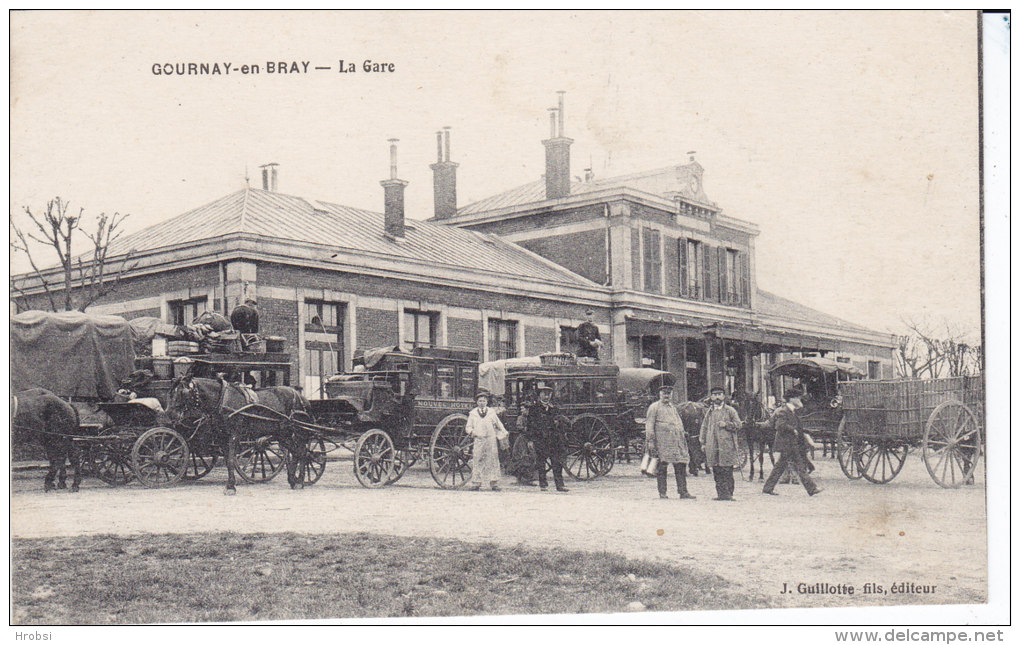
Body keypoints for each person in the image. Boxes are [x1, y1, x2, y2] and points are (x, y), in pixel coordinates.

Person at [760, 389, 822, 497]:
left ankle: (767, 488)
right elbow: (779, 425)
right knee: (800, 466)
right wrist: (792, 429)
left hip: (790, 443)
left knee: (779, 467)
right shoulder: (784, 411)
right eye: (798, 398)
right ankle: (812, 489)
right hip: (787, 443)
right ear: (792, 399)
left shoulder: (791, 411)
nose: (799, 400)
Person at [645, 385, 694, 500]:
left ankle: (683, 492)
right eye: (664, 393)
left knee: (681, 466)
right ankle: (662, 493)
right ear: (660, 394)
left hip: (676, 442)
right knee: (662, 468)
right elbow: (649, 425)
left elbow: (678, 422)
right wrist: (651, 442)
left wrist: (682, 433)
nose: (666, 395)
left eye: (668, 393)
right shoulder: (654, 407)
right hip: (663, 443)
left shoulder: (673, 407)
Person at [699, 386, 743, 501]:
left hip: (726, 445)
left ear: (723, 396)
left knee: (727, 470)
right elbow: (704, 427)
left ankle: (729, 494)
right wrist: (703, 442)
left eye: (719, 394)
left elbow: (739, 425)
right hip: (712, 445)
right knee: (716, 470)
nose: (717, 397)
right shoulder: (709, 412)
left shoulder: (730, 410)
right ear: (711, 397)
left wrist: (727, 424)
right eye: (714, 394)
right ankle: (720, 494)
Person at [525, 385, 569, 492]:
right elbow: (530, 425)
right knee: (541, 462)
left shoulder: (555, 408)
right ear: (539, 395)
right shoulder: (534, 409)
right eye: (544, 394)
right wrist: (530, 440)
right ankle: (543, 484)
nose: (546, 396)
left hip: (554, 440)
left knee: (557, 462)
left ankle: (560, 485)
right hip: (540, 439)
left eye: (548, 394)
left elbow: (561, 423)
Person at [466, 390, 509, 491]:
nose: (482, 403)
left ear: (486, 402)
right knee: (477, 459)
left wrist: (504, 432)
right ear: (477, 402)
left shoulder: (491, 412)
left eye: (484, 401)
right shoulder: (472, 414)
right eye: (480, 401)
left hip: (490, 439)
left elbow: (498, 424)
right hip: (479, 439)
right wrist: (472, 432)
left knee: (493, 460)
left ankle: (494, 482)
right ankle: (476, 482)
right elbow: (468, 427)